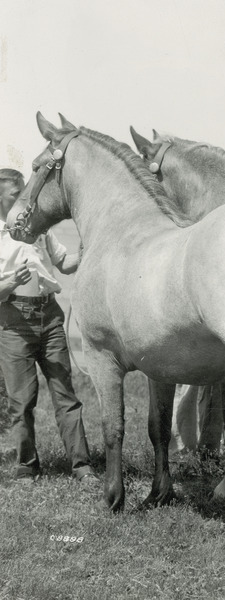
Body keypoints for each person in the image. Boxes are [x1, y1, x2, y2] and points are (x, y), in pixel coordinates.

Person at [0, 167, 98, 484]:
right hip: (13, 320)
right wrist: (9, 283)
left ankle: (82, 466)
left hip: (51, 315)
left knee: (65, 394)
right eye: (16, 196)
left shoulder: (38, 228)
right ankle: (26, 466)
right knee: (22, 400)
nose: (24, 203)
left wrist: (89, 246)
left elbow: (65, 265)